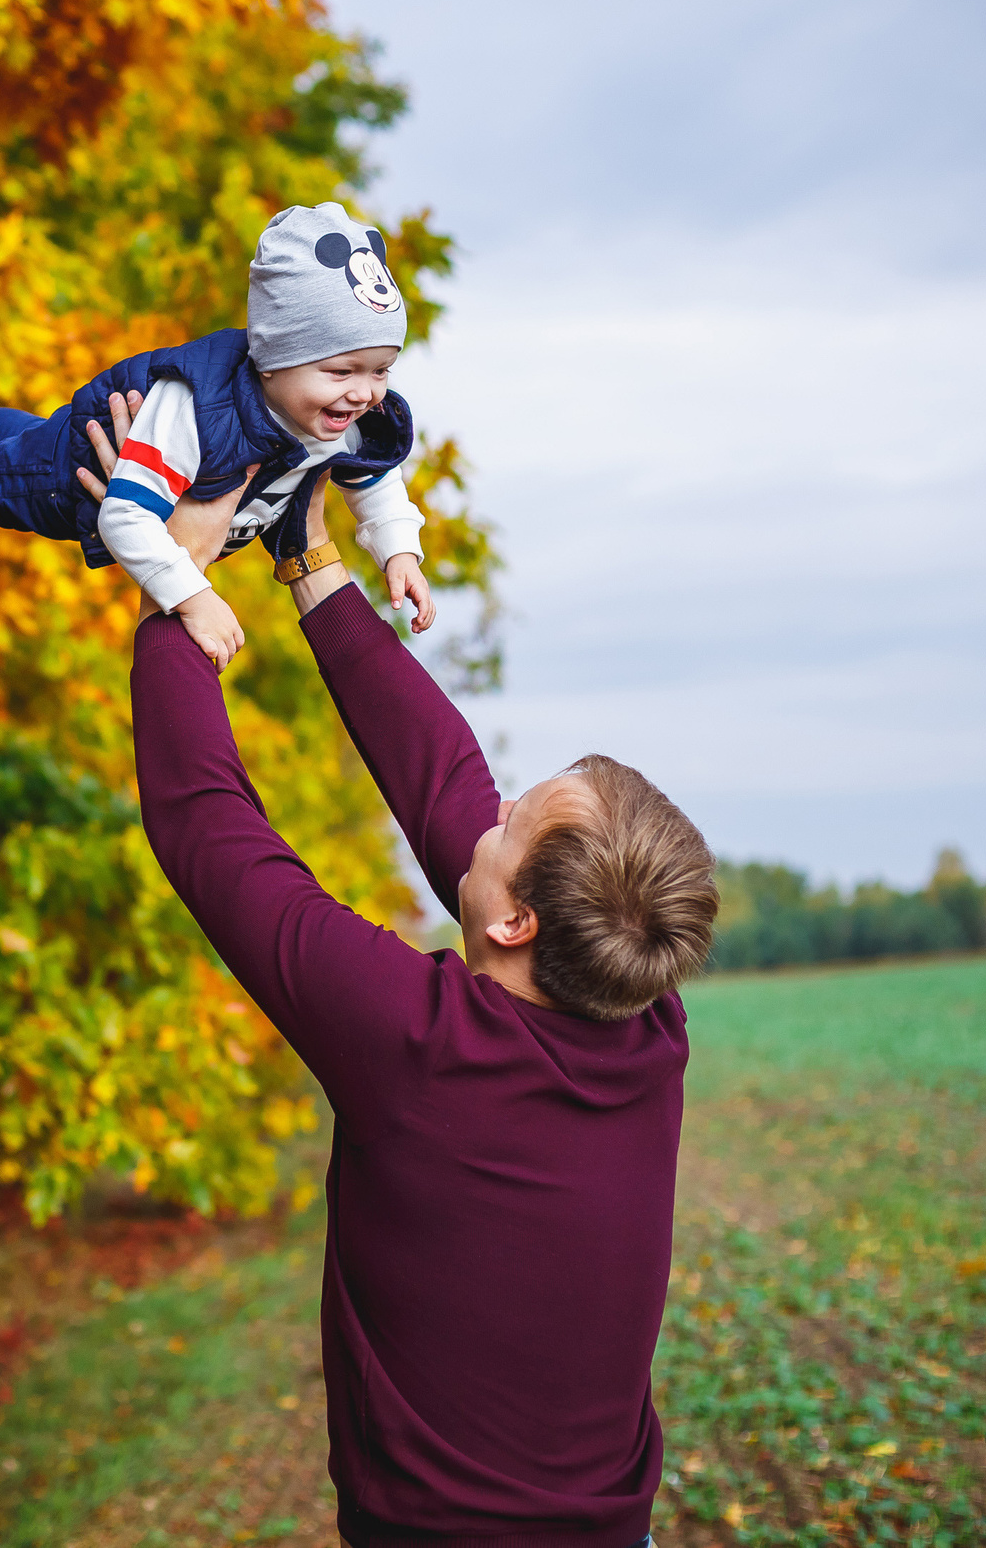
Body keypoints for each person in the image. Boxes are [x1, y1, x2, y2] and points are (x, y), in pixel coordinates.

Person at [109, 414, 719, 1548]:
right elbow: (448, 788)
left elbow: (212, 834)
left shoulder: (418, 1047)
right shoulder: (641, 1017)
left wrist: (175, 590)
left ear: (510, 920)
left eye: (509, 824)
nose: (484, 816)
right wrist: (313, 560)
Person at [0, 202, 437, 665]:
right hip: (78, 480)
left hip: (99, 451)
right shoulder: (198, 413)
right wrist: (192, 595)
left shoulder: (338, 415)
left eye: (381, 369)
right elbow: (126, 518)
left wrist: (398, 549)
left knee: (25, 438)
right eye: (340, 371)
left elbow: (374, 478)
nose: (364, 393)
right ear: (272, 358)